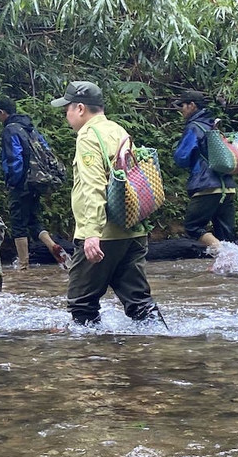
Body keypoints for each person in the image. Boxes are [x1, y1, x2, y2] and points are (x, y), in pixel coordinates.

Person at [51, 81, 159, 326]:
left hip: (104, 235)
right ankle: (156, 347)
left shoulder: (88, 136)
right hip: (132, 230)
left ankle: (91, 360)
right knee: (140, 303)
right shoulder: (118, 130)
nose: (66, 114)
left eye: (66, 108)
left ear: (80, 108)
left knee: (81, 302)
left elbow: (93, 186)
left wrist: (91, 234)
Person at [0, 97, 67, 269]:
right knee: (34, 220)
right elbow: (46, 151)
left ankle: (23, 265)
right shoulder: (30, 128)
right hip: (37, 181)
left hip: (22, 184)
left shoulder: (10, 130)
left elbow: (14, 159)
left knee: (18, 223)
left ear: (2, 113)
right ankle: (53, 246)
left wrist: (13, 182)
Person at [172, 90, 235, 254]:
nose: (181, 110)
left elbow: (181, 157)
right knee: (225, 234)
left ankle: (225, 254)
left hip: (206, 187)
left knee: (192, 226)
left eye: (182, 106)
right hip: (227, 186)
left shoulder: (194, 127)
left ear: (192, 105)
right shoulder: (213, 125)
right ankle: (230, 269)